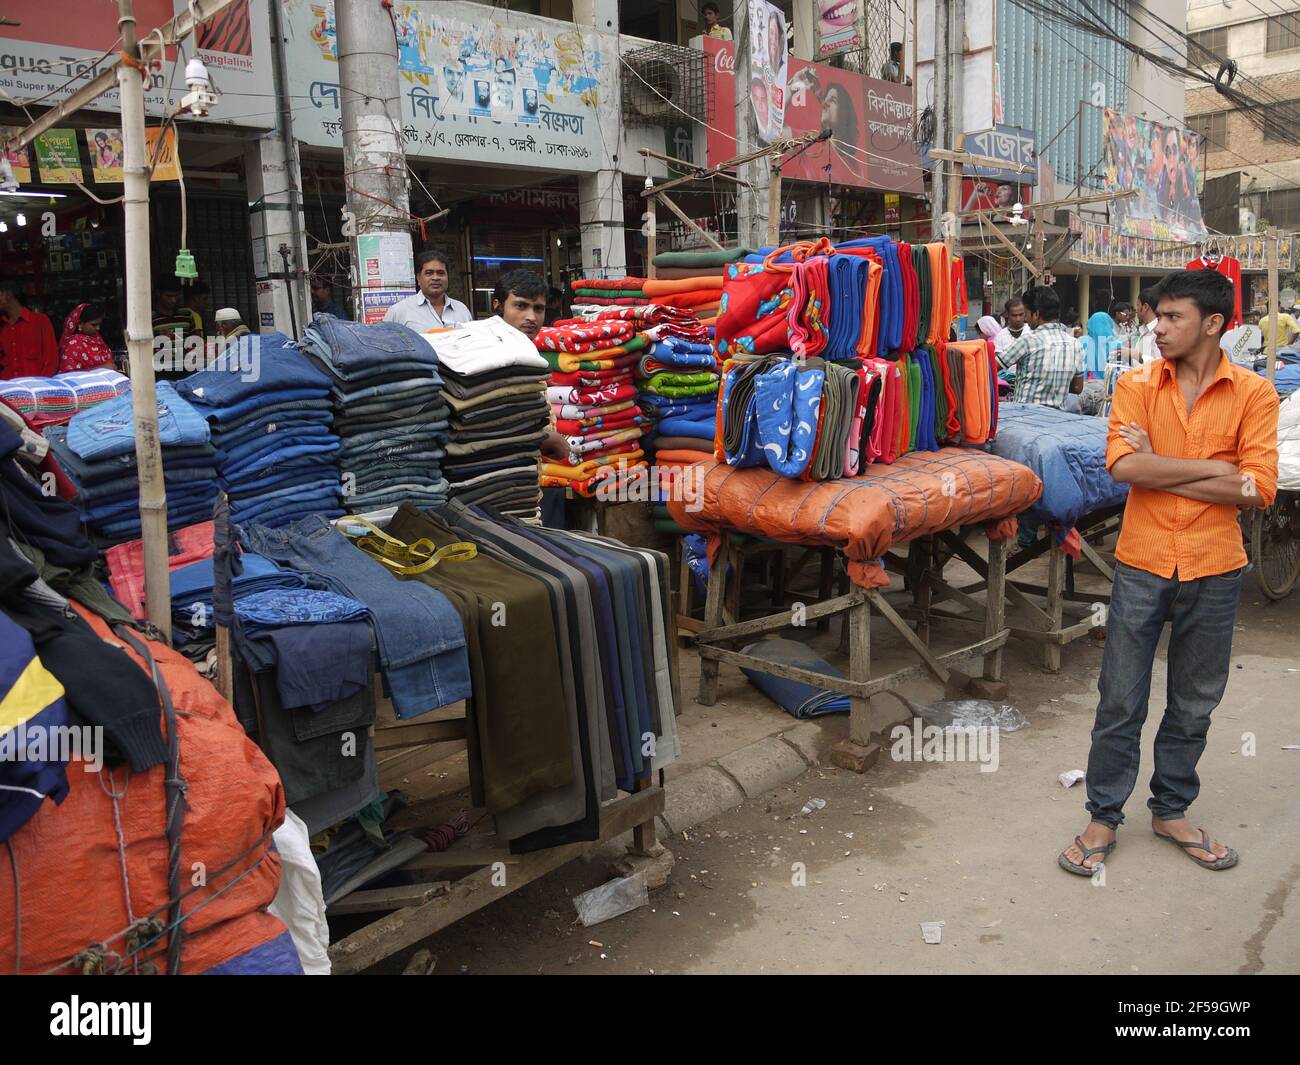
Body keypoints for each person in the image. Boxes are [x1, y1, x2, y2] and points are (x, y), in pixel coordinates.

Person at [1058, 269, 1278, 878]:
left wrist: (1162, 460)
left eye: (1172, 317)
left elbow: (1258, 486)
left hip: (1217, 564)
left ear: (1213, 324)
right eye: (1157, 316)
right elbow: (1124, 470)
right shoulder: (1136, 385)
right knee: (1120, 696)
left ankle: (1170, 808)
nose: (1157, 327)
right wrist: (1212, 471)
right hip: (1143, 561)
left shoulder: (1254, 395)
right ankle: (1103, 814)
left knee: (1195, 699)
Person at [997, 285, 1084, 409]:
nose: (1025, 319)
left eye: (1026, 313)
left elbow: (992, 367)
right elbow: (1077, 388)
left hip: (1025, 418)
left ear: (1036, 314)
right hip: (1058, 420)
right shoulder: (1075, 344)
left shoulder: (1028, 340)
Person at [384, 249, 472, 330]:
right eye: (429, 273)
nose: (435, 278)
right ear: (418, 278)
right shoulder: (398, 312)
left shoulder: (462, 310)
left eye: (441, 273)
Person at [0, 279, 58, 379]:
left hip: (35, 387)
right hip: (7, 388)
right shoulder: (2, 325)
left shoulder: (40, 320)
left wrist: (41, 386)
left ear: (8, 295)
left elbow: (51, 360)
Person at [57, 302, 115, 373]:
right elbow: (69, 374)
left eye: (99, 324)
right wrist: (101, 369)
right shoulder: (73, 344)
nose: (98, 328)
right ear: (80, 323)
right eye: (94, 325)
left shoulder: (98, 339)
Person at [491, 268, 547, 340]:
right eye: (520, 306)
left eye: (538, 308)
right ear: (499, 306)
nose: (532, 318)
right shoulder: (480, 345)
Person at [152, 276, 201, 341]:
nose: (174, 300)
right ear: (158, 293)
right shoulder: (149, 318)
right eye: (169, 296)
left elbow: (196, 343)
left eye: (176, 295)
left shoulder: (186, 315)